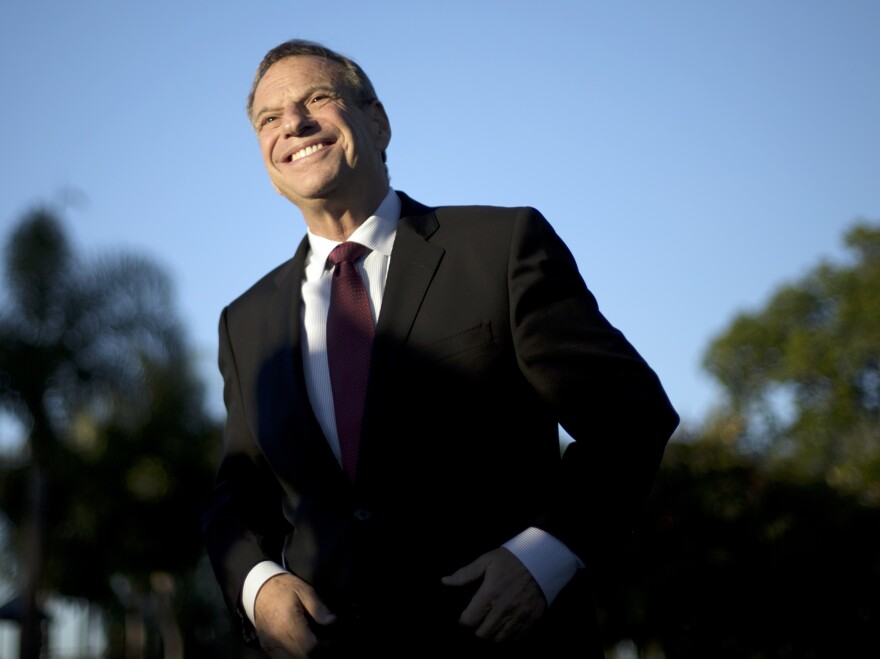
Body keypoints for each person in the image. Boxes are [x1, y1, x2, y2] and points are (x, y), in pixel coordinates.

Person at [201, 38, 679, 659]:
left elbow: (629, 418)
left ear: (377, 122)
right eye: (270, 118)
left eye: (316, 98)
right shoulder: (243, 323)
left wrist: (545, 556)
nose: (293, 123)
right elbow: (237, 499)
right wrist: (258, 587)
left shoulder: (501, 247)